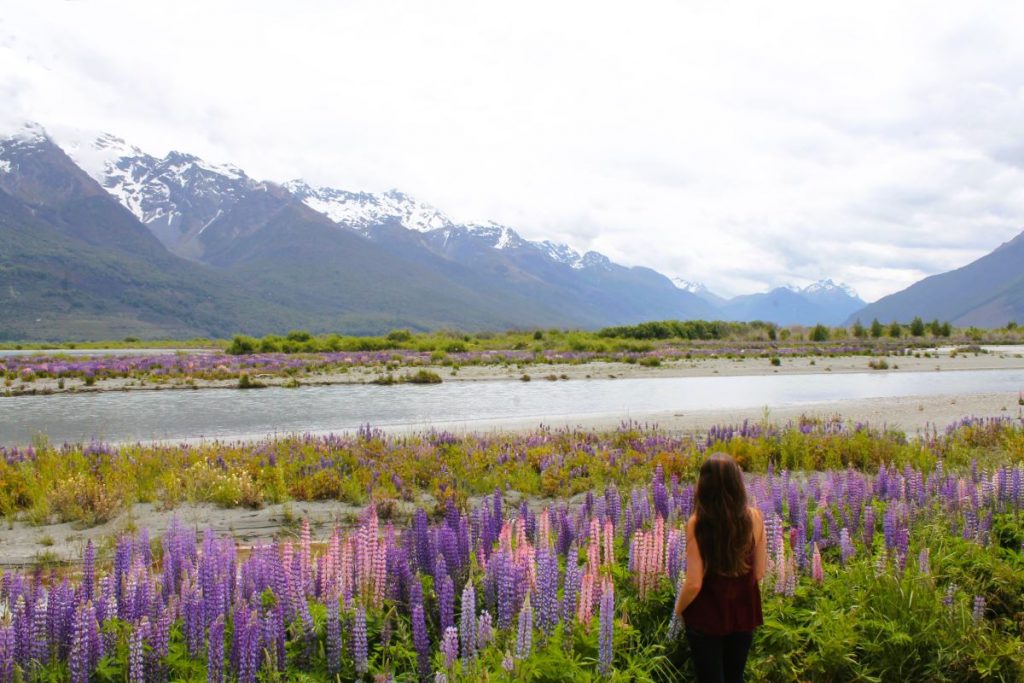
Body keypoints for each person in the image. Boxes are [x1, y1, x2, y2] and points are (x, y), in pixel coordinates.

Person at [673, 452, 766, 683]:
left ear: (704, 485)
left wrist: (678, 611)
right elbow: (760, 572)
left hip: (707, 615)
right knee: (735, 677)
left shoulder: (698, 523)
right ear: (737, 484)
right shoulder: (755, 517)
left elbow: (694, 583)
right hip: (744, 611)